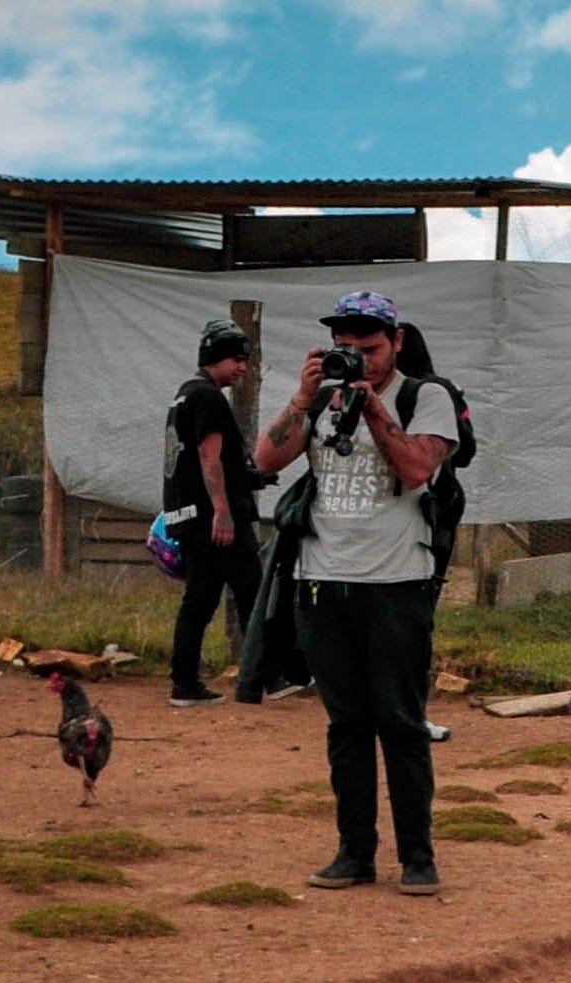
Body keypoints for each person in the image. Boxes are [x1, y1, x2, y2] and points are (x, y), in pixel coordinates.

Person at [251, 290, 457, 896]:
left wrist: (372, 410)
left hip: (396, 583)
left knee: (401, 721)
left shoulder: (427, 396)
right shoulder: (320, 399)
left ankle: (418, 856)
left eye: (370, 348)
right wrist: (303, 397)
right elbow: (265, 458)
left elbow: (418, 469)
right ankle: (354, 851)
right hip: (321, 579)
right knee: (345, 725)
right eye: (347, 349)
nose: (359, 360)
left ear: (396, 342)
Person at [162, 321, 258, 708]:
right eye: (237, 359)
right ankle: (267, 673)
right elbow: (209, 456)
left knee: (199, 600)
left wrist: (249, 476)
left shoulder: (184, 396)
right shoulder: (208, 398)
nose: (242, 368)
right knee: (253, 590)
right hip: (213, 519)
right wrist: (223, 511)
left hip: (188, 515)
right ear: (216, 357)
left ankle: (184, 682)